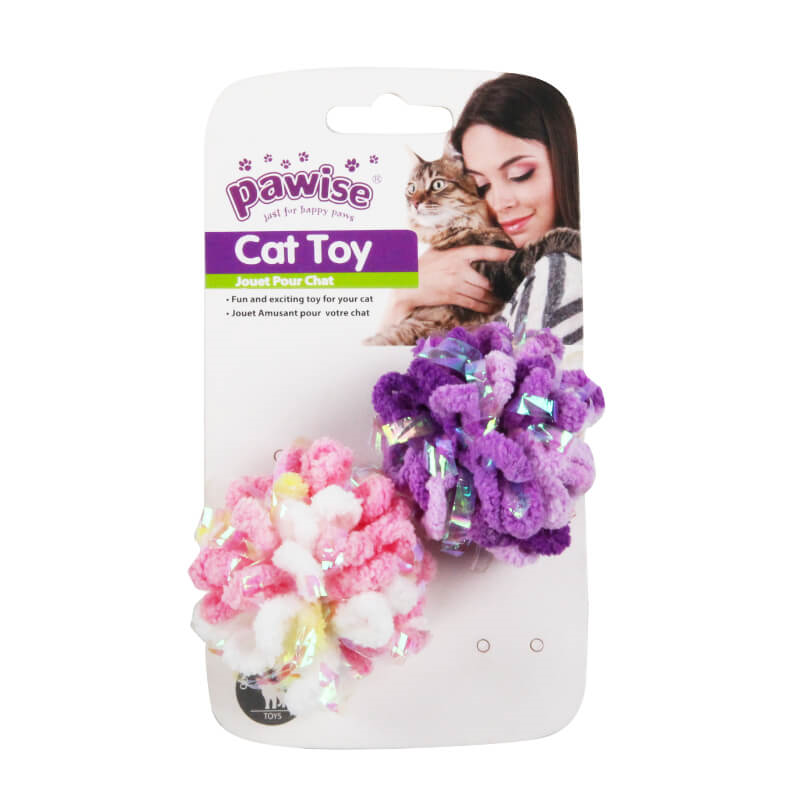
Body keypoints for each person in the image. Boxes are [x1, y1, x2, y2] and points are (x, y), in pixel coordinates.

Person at [382, 73, 584, 349]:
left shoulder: (557, 270)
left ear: (566, 159)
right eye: (482, 185)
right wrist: (401, 297)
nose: (499, 202)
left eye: (520, 174)